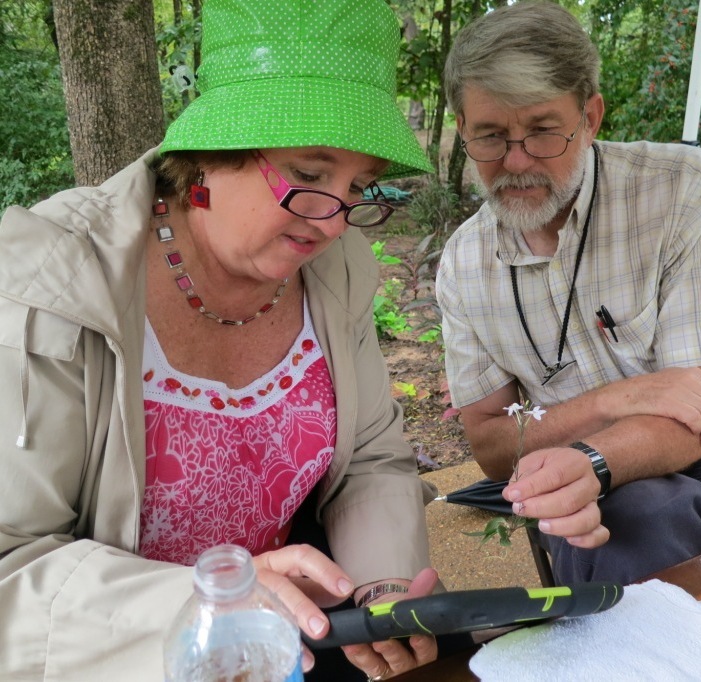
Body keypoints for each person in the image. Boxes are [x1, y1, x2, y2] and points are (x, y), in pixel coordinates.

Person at [0, 1, 442, 679]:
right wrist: (212, 606)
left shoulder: (336, 269)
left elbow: (372, 460)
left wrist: (380, 589)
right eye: (310, 175)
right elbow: (12, 567)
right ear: (212, 151)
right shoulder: (49, 284)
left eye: (359, 186)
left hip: (290, 650)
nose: (332, 224)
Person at [437, 1, 701, 586]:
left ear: (590, 116)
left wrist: (592, 460)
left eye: (543, 131)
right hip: (577, 463)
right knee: (619, 523)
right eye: (490, 137)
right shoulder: (465, 262)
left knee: (641, 525)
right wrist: (608, 404)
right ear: (463, 130)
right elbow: (494, 448)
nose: (516, 162)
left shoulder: (684, 190)